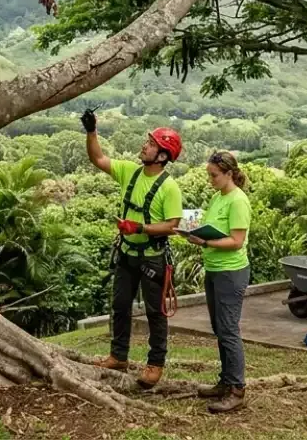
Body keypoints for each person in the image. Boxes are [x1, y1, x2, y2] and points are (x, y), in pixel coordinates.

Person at [81, 108, 183, 388]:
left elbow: (172, 225)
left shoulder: (169, 187)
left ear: (162, 156)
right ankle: (118, 356)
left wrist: (139, 228)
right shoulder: (130, 172)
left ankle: (155, 363)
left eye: (150, 144)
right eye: (147, 141)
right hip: (127, 254)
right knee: (120, 305)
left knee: (155, 312)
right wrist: (91, 131)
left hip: (152, 259)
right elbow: (98, 158)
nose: (144, 145)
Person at [187, 150, 251, 413]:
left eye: (214, 175)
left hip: (230, 272)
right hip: (214, 269)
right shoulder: (217, 198)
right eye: (209, 175)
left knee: (228, 330)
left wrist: (206, 242)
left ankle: (237, 389)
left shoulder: (238, 201)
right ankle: (225, 382)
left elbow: (236, 241)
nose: (210, 179)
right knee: (219, 328)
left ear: (228, 173)